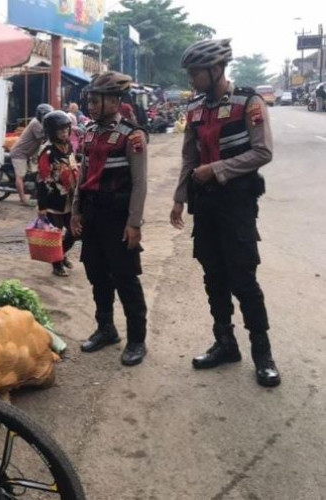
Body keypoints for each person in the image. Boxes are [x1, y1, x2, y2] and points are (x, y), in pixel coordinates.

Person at [170, 38, 279, 387]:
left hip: (236, 206)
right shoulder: (195, 108)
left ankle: (263, 354)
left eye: (196, 72)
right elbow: (190, 157)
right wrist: (179, 197)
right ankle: (225, 343)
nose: (192, 79)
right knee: (213, 277)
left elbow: (262, 152)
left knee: (243, 279)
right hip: (206, 206)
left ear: (216, 70)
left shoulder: (249, 102)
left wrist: (218, 169)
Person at [72, 71, 149, 366]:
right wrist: (76, 210)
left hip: (118, 218)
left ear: (115, 101)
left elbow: (140, 183)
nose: (90, 105)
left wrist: (134, 224)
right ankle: (106, 328)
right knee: (97, 275)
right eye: (89, 99)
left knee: (126, 278)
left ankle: (137, 339)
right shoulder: (90, 132)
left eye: (96, 100)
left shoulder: (133, 135)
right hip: (92, 215)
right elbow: (83, 174)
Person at [36, 110, 79, 277]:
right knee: (55, 233)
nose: (64, 132)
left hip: (69, 197)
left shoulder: (68, 147)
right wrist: (42, 207)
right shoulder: (46, 151)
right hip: (53, 200)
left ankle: (60, 254)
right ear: (51, 132)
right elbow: (41, 180)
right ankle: (57, 264)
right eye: (60, 130)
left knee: (76, 232)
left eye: (66, 129)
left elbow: (73, 165)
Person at [9, 103, 53, 205]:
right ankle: (23, 199)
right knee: (20, 176)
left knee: (36, 171)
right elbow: (44, 137)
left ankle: (34, 193)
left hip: (28, 153)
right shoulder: (35, 124)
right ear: (40, 115)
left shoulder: (40, 123)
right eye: (45, 115)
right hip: (20, 153)